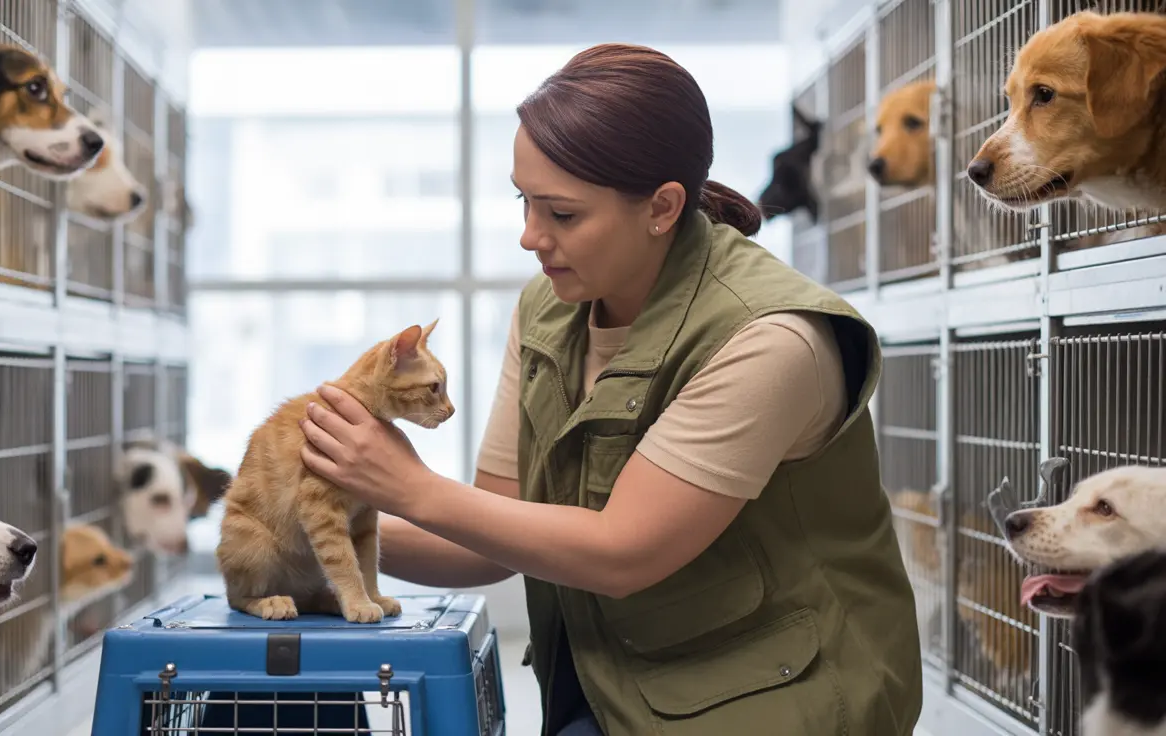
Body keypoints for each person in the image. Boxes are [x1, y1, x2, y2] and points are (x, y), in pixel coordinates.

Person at [298, 42, 923, 736]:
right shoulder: (547, 310)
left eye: (562, 214)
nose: (530, 236)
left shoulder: (770, 339)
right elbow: (491, 532)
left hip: (777, 701)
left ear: (661, 207)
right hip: (613, 684)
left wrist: (407, 486)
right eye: (523, 201)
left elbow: (625, 552)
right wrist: (312, 526)